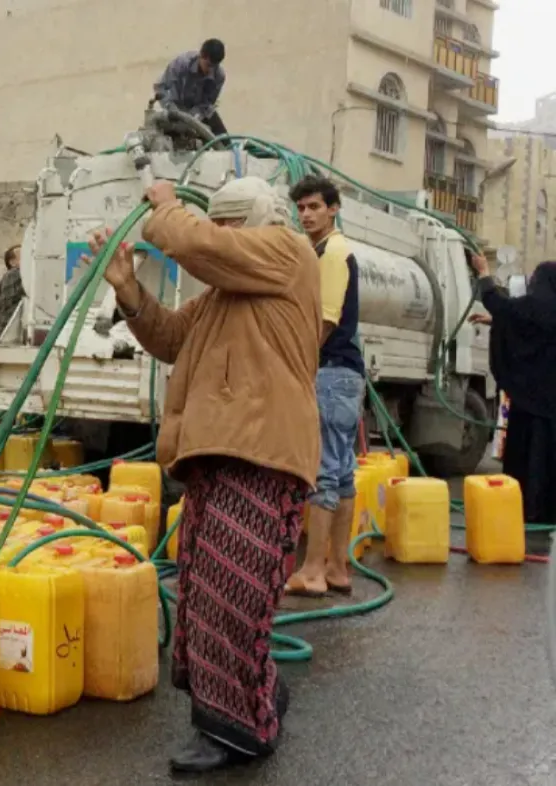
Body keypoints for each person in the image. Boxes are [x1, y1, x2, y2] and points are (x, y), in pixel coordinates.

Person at [96, 177, 320, 773]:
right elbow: (171, 337)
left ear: (259, 220)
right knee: (203, 590)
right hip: (219, 454)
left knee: (232, 596)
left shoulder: (289, 253)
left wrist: (169, 207)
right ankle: (257, 694)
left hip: (262, 455)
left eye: (229, 223)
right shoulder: (225, 294)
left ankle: (237, 730)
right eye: (216, 222)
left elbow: (201, 245)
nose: (220, 233)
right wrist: (128, 290)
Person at [285, 175, 365, 598]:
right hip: (345, 373)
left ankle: (313, 570)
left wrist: (299, 363)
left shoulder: (333, 253)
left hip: (330, 371)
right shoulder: (321, 250)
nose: (306, 215)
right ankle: (337, 568)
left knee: (323, 471)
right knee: (343, 472)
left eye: (314, 206)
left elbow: (327, 319)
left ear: (333, 209)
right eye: (301, 208)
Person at [470, 256, 556, 525]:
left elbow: (498, 303)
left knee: (524, 456)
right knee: (546, 458)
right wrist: (496, 321)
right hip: (551, 403)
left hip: (526, 402)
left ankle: (522, 508)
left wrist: (484, 273)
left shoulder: (530, 307)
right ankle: (543, 512)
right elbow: (527, 325)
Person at [153, 39, 228, 136]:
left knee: (223, 139)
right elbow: (160, 87)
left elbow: (207, 104)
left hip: (198, 113)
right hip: (175, 109)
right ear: (201, 56)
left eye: (215, 66)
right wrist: (172, 109)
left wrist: (192, 118)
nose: (211, 70)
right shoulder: (181, 64)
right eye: (208, 65)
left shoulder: (219, 76)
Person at [0, 244, 25, 338]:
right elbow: (8, 305)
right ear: (12, 262)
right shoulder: (13, 274)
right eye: (23, 256)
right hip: (7, 330)